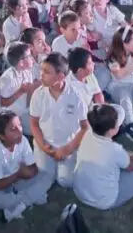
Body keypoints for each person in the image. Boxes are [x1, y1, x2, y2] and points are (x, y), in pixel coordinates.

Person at [72, 103, 133, 211]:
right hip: (103, 200)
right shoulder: (114, 150)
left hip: (80, 193)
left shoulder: (87, 134)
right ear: (112, 130)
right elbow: (132, 166)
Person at [28, 52, 89, 189]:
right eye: (41, 70)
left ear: (61, 76)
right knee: (45, 176)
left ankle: (72, 163)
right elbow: (34, 123)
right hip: (45, 143)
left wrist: (68, 148)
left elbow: (85, 127)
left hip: (68, 145)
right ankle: (51, 166)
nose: (41, 75)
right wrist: (43, 146)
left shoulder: (76, 95)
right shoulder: (38, 94)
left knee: (66, 181)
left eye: (46, 72)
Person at [0, 109, 52, 222]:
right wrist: (18, 174)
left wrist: (28, 173)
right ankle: (29, 198)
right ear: (1, 135)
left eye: (20, 126)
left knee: (47, 176)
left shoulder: (22, 140)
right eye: (13, 129)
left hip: (17, 178)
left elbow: (33, 168)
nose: (20, 131)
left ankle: (17, 206)